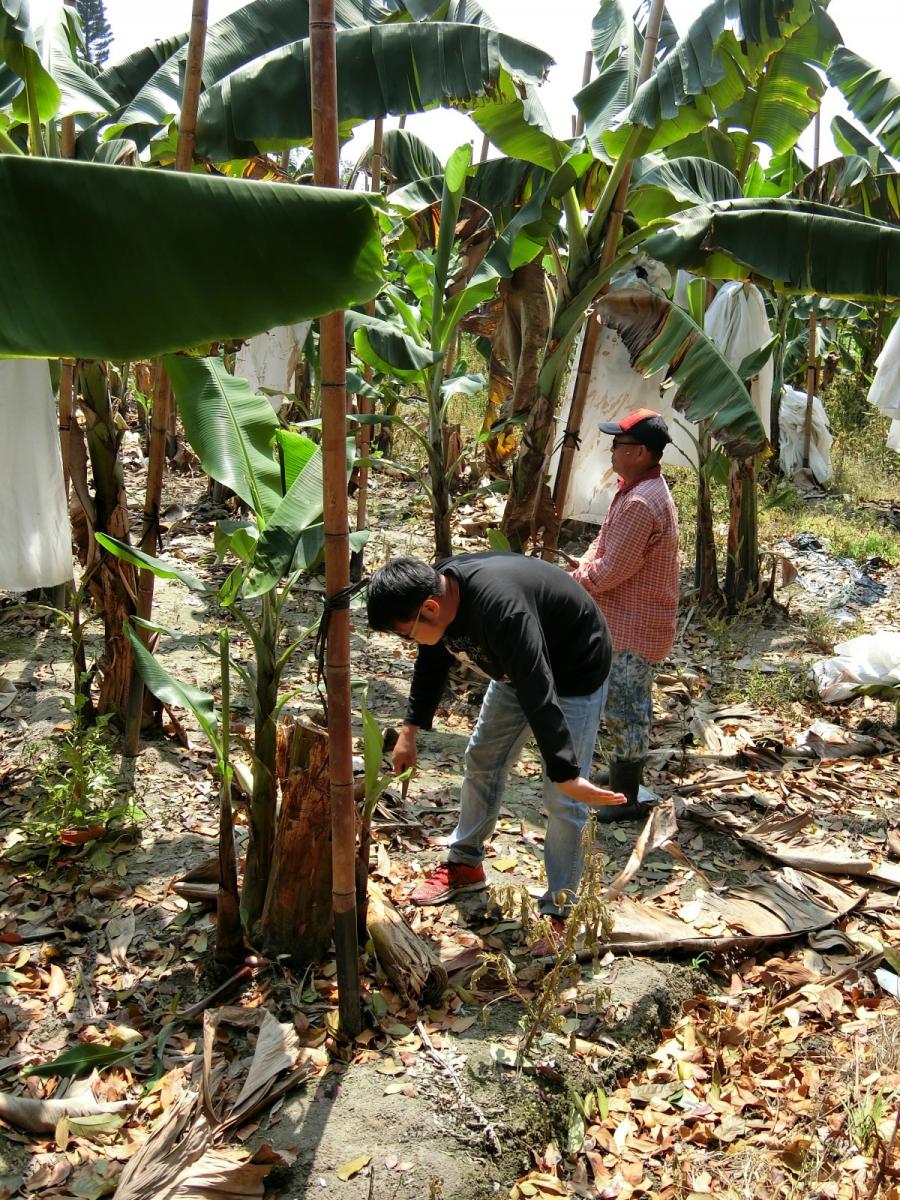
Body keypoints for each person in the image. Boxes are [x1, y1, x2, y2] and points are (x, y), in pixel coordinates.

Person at [367, 553, 626, 938]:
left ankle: (563, 911)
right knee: (483, 758)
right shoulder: (434, 589)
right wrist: (410, 730)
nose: (409, 642)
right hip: (512, 669)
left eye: (406, 634)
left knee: (564, 797)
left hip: (574, 668)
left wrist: (567, 773)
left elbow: (539, 689)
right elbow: (431, 659)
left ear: (430, 608)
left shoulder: (502, 611)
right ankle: (466, 863)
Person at [570, 409, 680, 820]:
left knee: (627, 708)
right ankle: (622, 776)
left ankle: (628, 797)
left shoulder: (639, 502)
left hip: (634, 627)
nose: (612, 451)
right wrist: (581, 568)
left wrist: (575, 580)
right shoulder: (633, 488)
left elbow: (611, 569)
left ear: (641, 453)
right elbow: (602, 542)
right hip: (627, 621)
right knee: (620, 704)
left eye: (618, 445)